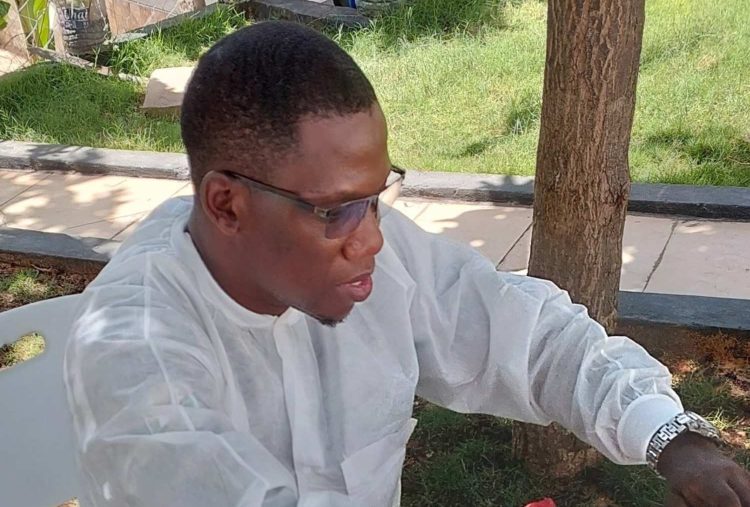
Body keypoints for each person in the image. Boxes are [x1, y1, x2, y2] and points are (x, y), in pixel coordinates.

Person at [64, 21, 750, 507]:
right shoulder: (136, 355)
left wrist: (673, 443)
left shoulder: (366, 261)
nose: (371, 239)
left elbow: (530, 337)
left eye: (375, 197)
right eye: (336, 210)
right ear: (227, 204)